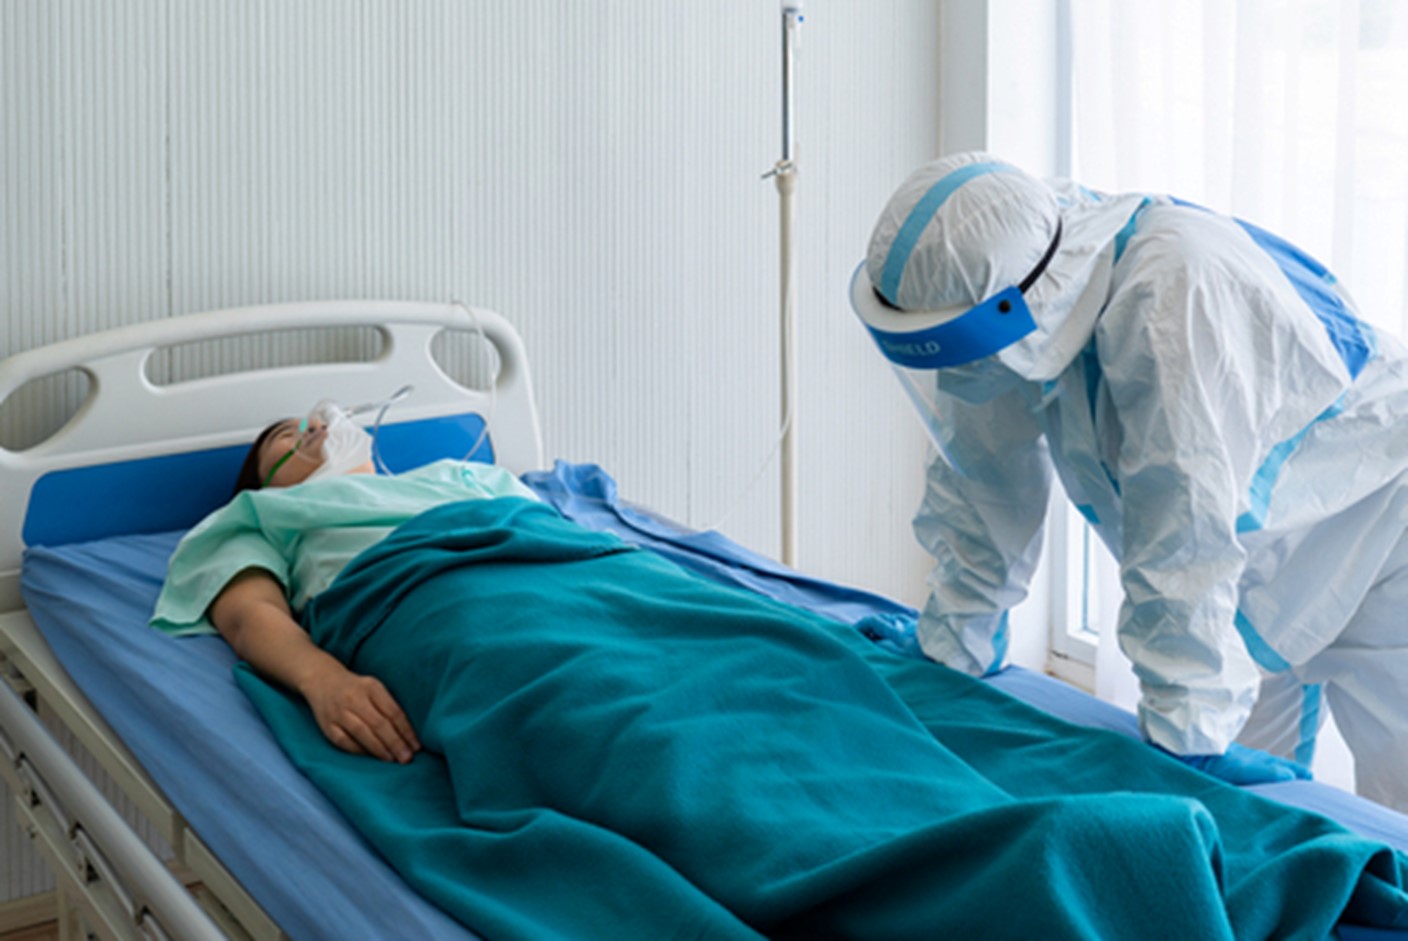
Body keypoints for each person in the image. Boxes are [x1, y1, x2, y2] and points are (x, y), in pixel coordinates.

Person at [148, 405, 1408, 939]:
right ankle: (1029, 861)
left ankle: (1060, 843)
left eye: (324, 420)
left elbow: (595, 543)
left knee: (799, 674)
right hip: (472, 622)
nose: (318, 432)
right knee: (642, 736)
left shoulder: (482, 475)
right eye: (290, 440)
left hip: (608, 589)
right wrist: (321, 679)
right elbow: (253, 622)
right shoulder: (280, 526)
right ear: (275, 476)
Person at [851, 150, 1408, 812]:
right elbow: (984, 472)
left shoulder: (1170, 296)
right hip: (1253, 580)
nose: (958, 372)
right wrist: (953, 638)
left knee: (1392, 817)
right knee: (1261, 835)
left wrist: (1184, 741)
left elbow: (1183, 525)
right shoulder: (1010, 272)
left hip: (1379, 535)